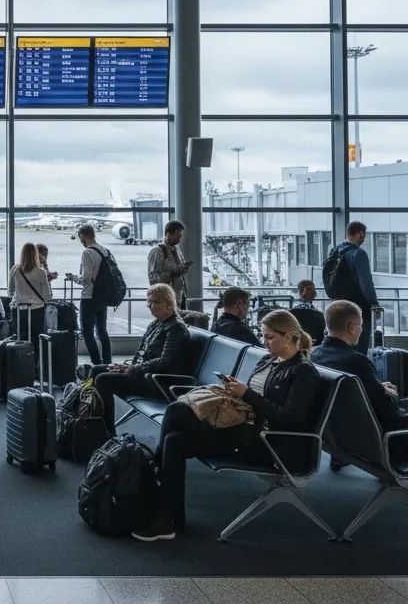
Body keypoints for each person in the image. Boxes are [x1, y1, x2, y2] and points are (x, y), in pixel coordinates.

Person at [133, 309, 321, 542]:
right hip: (244, 428)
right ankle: (170, 518)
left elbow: (290, 418)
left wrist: (247, 394)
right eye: (263, 336)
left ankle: (156, 485)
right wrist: (237, 390)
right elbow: (256, 397)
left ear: (289, 336)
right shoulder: (268, 360)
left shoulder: (303, 371)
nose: (264, 342)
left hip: (266, 441)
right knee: (174, 441)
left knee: (177, 410)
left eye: (270, 337)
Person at [312, 300, 408, 463]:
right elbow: (387, 410)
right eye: (360, 325)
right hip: (382, 440)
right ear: (350, 327)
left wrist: (378, 388)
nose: (361, 329)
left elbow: (354, 395)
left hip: (343, 435)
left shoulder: (316, 356)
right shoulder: (356, 361)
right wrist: (390, 394)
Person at [90, 283, 191, 436]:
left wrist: (133, 369)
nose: (150, 306)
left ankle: (107, 431)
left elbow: (165, 362)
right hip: (144, 374)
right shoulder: (156, 324)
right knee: (96, 369)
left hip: (158, 382)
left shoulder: (176, 329)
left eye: (155, 302)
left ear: (169, 304)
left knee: (104, 380)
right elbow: (142, 353)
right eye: (149, 302)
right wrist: (126, 367)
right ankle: (93, 421)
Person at [326, 221, 380, 352]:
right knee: (359, 346)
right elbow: (366, 283)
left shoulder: (335, 251)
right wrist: (374, 304)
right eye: (364, 234)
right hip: (358, 307)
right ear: (361, 234)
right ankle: (357, 371)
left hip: (338, 305)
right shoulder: (358, 254)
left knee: (338, 346)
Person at [75, 224, 113, 366]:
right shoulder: (105, 251)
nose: (81, 241)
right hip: (102, 296)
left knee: (87, 332)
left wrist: (74, 278)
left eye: (80, 238)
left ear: (83, 236)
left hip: (89, 297)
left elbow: (86, 279)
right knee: (102, 331)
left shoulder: (87, 253)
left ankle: (97, 364)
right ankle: (107, 362)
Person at [8, 242, 52, 357]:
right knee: (36, 339)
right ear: (36, 254)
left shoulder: (15, 269)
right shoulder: (41, 272)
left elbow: (10, 290)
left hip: (19, 310)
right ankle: (35, 366)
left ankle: (20, 364)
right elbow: (47, 295)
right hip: (37, 310)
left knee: (20, 338)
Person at [147, 220, 192, 309]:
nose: (180, 238)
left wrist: (183, 269)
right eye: (178, 235)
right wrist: (173, 273)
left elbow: (178, 268)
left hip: (179, 296)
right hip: (166, 300)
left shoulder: (176, 249)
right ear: (168, 234)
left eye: (181, 236)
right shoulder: (158, 251)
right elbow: (154, 279)